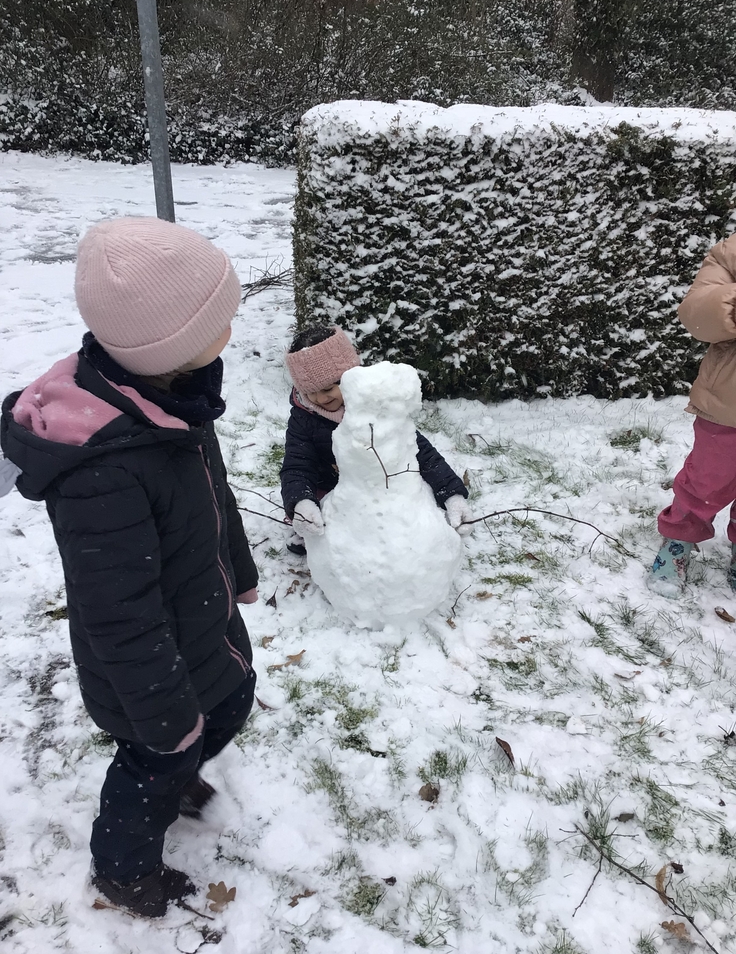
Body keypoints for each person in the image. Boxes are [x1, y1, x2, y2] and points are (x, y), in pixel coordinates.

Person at [0, 217, 259, 917]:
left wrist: (237, 565)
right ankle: (123, 866)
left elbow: (215, 490)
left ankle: (176, 768)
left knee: (231, 699)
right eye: (218, 321)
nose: (229, 331)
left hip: (198, 617)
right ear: (164, 343)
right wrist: (163, 715)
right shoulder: (105, 472)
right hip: (144, 668)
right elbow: (119, 616)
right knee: (159, 756)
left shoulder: (177, 399)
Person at [280, 324, 472, 554]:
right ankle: (312, 528)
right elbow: (297, 464)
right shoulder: (304, 418)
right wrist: (301, 503)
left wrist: (451, 494)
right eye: (311, 392)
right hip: (331, 488)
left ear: (350, 378)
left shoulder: (376, 406)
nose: (320, 398)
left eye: (329, 388)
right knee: (328, 524)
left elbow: (420, 452)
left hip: (381, 484)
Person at [649, 231, 736, 596]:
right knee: (706, 480)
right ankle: (678, 542)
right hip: (727, 404)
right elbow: (696, 315)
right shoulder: (731, 252)